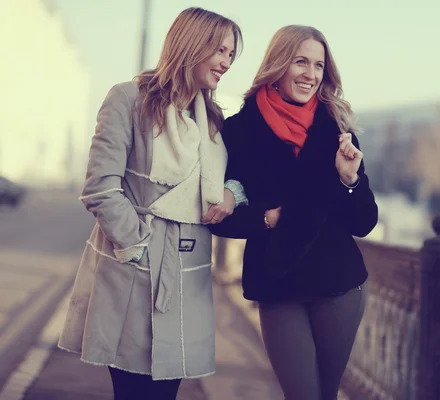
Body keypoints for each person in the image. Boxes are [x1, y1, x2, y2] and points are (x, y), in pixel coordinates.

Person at [58, 8, 245, 400]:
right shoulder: (128, 99)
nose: (227, 62)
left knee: (165, 394)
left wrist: (232, 194)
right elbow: (101, 187)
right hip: (133, 268)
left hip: (187, 274)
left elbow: (233, 179)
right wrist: (137, 246)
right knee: (132, 392)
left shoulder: (212, 119)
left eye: (232, 54)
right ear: (193, 44)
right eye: (221, 51)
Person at [210, 25, 378, 400]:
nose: (310, 74)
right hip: (277, 282)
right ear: (279, 64)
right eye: (301, 61)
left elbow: (364, 222)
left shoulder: (338, 130)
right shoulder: (239, 130)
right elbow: (218, 213)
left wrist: (349, 180)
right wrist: (267, 219)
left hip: (340, 283)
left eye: (318, 65)